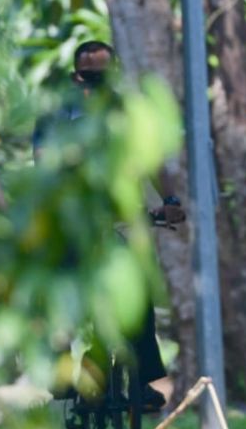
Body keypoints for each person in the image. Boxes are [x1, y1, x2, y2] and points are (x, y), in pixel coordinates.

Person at [34, 40, 183, 407]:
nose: (97, 85)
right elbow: (43, 162)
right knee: (59, 292)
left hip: (116, 221)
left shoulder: (129, 112)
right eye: (89, 77)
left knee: (139, 292)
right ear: (75, 77)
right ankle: (61, 369)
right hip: (72, 220)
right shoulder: (57, 113)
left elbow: (151, 162)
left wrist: (170, 202)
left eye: (104, 77)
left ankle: (143, 377)